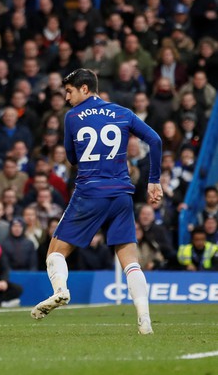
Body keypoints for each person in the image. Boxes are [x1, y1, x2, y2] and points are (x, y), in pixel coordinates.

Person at [31, 69, 162, 336]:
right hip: (121, 195)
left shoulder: (72, 117)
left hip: (90, 193)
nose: (67, 97)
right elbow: (155, 140)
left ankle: (60, 291)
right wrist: (154, 180)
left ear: (85, 89)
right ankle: (145, 319)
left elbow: (71, 158)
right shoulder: (123, 112)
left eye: (69, 91)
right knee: (130, 260)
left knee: (55, 252)